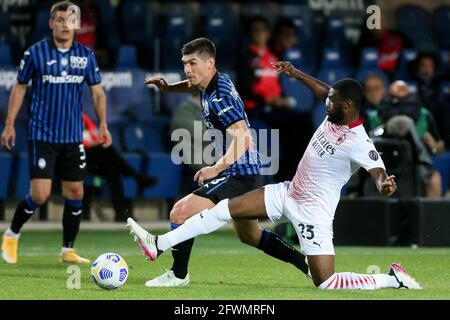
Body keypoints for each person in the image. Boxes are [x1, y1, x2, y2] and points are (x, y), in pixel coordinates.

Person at [127, 61, 422, 290]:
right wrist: (295, 73)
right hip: (287, 192)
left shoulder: (360, 142)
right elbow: (323, 91)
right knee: (223, 210)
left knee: (325, 282)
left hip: (313, 212)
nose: (326, 102)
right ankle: (159, 244)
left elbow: (378, 172)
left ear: (348, 106)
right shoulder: (336, 111)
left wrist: (385, 185)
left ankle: (391, 279)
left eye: (332, 101)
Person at [139, 37, 309, 287]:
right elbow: (191, 84)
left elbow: (243, 136)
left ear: (210, 63)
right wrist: (168, 88)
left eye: (193, 63)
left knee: (180, 212)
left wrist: (217, 167)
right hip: (245, 170)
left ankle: (178, 275)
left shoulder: (220, 98)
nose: (187, 69)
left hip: (238, 173)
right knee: (250, 236)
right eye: (185, 63)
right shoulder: (213, 81)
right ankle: (303, 263)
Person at [1, 1, 111, 264]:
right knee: (40, 194)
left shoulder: (86, 56)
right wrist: (9, 124)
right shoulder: (35, 53)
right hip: (42, 135)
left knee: (76, 192)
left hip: (73, 137)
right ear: (51, 23)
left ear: (77, 24)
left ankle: (67, 251)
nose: (64, 25)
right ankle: (11, 235)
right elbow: (19, 87)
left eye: (69, 20)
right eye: (59, 20)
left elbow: (97, 92)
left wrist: (103, 124)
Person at [238, 16, 312, 181]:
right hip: (257, 108)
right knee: (288, 127)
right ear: (251, 34)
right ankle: (285, 175)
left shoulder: (274, 56)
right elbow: (245, 88)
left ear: (268, 33)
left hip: (277, 106)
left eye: (263, 30)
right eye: (256, 30)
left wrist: (281, 99)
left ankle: (297, 174)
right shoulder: (246, 57)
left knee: (303, 121)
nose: (260, 34)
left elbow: (283, 82)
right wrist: (268, 100)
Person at [82, 113, 157, 222]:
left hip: (92, 158)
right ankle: (137, 177)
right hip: (75, 157)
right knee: (107, 148)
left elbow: (96, 136)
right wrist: (92, 142)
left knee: (113, 170)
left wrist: (93, 142)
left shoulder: (84, 117)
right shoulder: (66, 118)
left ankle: (120, 213)